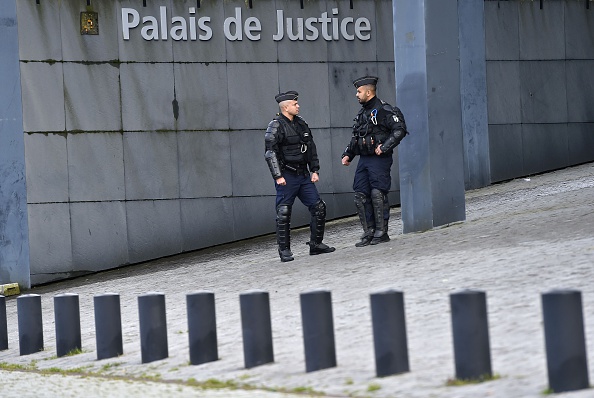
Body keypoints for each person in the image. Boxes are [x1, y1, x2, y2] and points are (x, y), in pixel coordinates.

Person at [265, 91, 336, 262]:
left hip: (303, 175)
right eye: (295, 104)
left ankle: (316, 245)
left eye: (297, 104)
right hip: (286, 176)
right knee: (283, 212)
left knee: (318, 207)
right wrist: (278, 176)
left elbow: (311, 148)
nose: (298, 106)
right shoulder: (275, 126)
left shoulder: (301, 124)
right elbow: (270, 153)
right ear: (286, 107)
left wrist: (315, 170)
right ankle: (284, 251)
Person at [341, 76, 408, 247]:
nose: (356, 94)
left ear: (369, 92)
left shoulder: (384, 110)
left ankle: (381, 232)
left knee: (377, 193)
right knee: (360, 194)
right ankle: (369, 231)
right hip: (364, 159)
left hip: (379, 159)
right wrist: (348, 154)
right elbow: (357, 137)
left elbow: (399, 130)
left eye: (359, 91)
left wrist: (384, 147)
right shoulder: (362, 113)